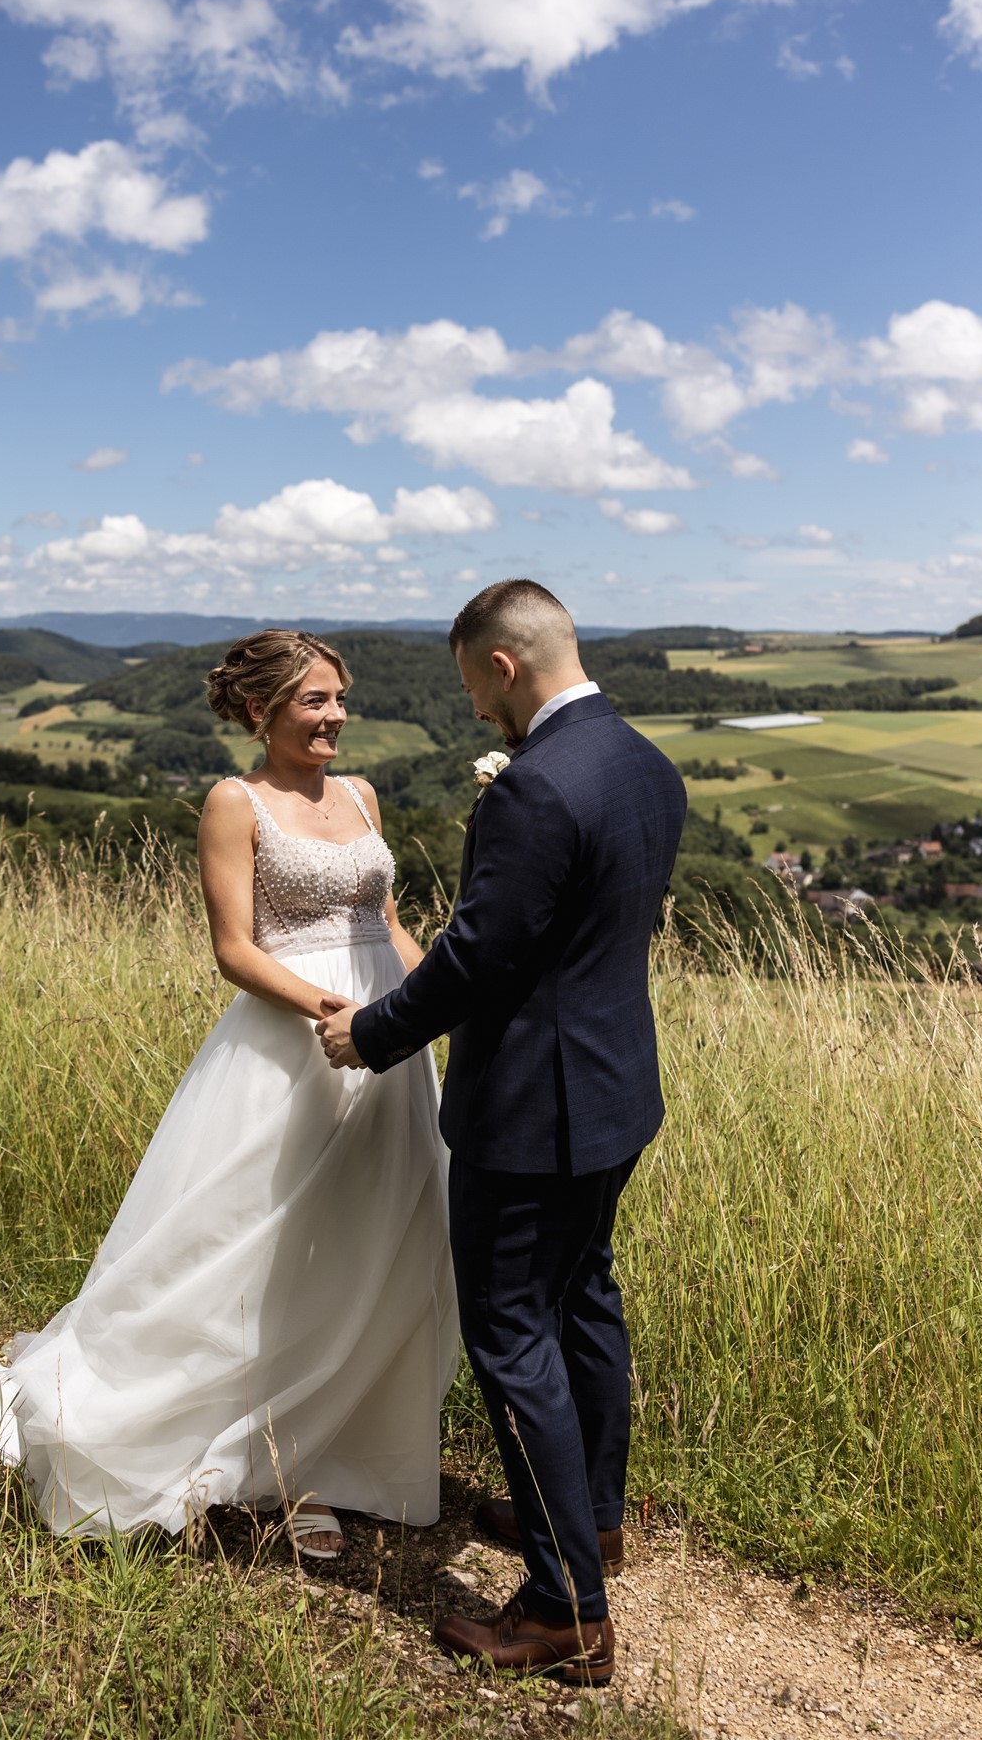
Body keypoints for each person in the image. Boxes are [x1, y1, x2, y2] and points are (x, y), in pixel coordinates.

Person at [0, 628, 457, 1562]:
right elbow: (233, 947)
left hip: (389, 1046)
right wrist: (333, 1015)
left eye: (340, 699)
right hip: (294, 1047)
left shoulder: (362, 794)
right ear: (261, 711)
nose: (334, 716)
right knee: (259, 1249)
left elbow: (384, 921)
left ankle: (331, 1460)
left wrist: (431, 1009)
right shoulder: (234, 801)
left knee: (375, 1241)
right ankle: (236, 1442)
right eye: (314, 701)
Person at [317, 580, 686, 1683]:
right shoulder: (642, 762)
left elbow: (480, 956)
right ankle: (594, 1520)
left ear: (503, 667)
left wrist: (370, 1033)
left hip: (530, 1109)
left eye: (474, 685)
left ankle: (565, 1606)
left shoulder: (534, 787)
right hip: (618, 1093)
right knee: (583, 1296)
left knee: (510, 1331)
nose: (476, 710)